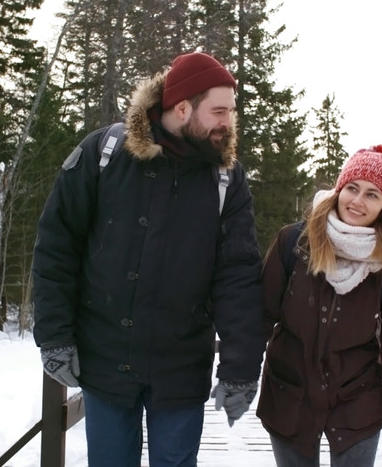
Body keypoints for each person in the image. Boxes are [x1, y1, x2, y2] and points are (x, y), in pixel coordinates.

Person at [31, 51, 264, 467]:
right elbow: (56, 246)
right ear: (182, 107)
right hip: (104, 362)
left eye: (231, 111)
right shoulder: (103, 154)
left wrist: (240, 367)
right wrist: (54, 336)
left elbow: (238, 277)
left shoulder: (228, 180)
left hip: (180, 368)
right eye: (219, 110)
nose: (228, 122)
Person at [256, 145, 382, 467]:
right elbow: (259, 317)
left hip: (357, 400)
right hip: (290, 394)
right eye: (352, 188)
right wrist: (237, 373)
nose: (357, 201)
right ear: (339, 189)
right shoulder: (294, 243)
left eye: (372, 194)